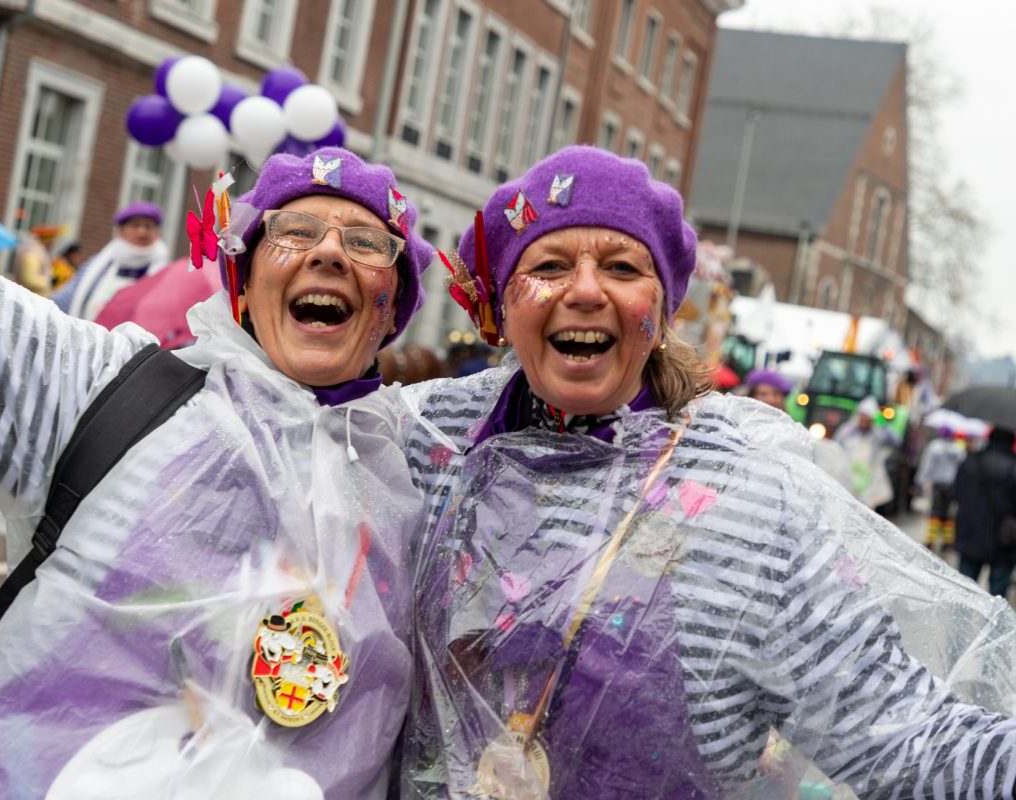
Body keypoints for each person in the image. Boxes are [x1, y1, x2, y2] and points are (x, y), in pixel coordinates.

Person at [0, 145, 443, 798]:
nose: (330, 253)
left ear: (392, 306)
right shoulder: (108, 394)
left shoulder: (421, 474)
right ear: (244, 284)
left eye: (368, 241)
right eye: (294, 231)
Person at [397, 147, 1016, 798]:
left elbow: (903, 732)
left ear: (661, 311)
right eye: (548, 265)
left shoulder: (744, 495)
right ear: (502, 303)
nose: (583, 290)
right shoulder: (427, 440)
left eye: (621, 266)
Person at [52, 201, 172, 321]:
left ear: (157, 232)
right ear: (120, 231)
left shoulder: (166, 274)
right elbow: (66, 299)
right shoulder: (95, 266)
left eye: (148, 226)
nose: (142, 232)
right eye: (135, 225)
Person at [953, 426, 1016, 598]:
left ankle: (960, 625)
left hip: (970, 535)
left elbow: (956, 494)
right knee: (998, 596)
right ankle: (994, 625)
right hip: (1005, 540)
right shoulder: (1013, 466)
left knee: (964, 592)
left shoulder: (970, 461)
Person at [834, 395, 900, 510]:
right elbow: (836, 448)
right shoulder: (847, 431)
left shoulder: (878, 434)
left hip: (868, 482)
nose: (864, 420)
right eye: (863, 416)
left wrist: (883, 424)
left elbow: (896, 441)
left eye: (868, 418)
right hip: (848, 478)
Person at [917, 425, 967, 551]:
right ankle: (948, 541)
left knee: (935, 511)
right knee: (948, 512)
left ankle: (930, 539)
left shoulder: (934, 446)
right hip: (952, 484)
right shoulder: (958, 448)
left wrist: (920, 479)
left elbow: (927, 465)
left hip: (938, 484)